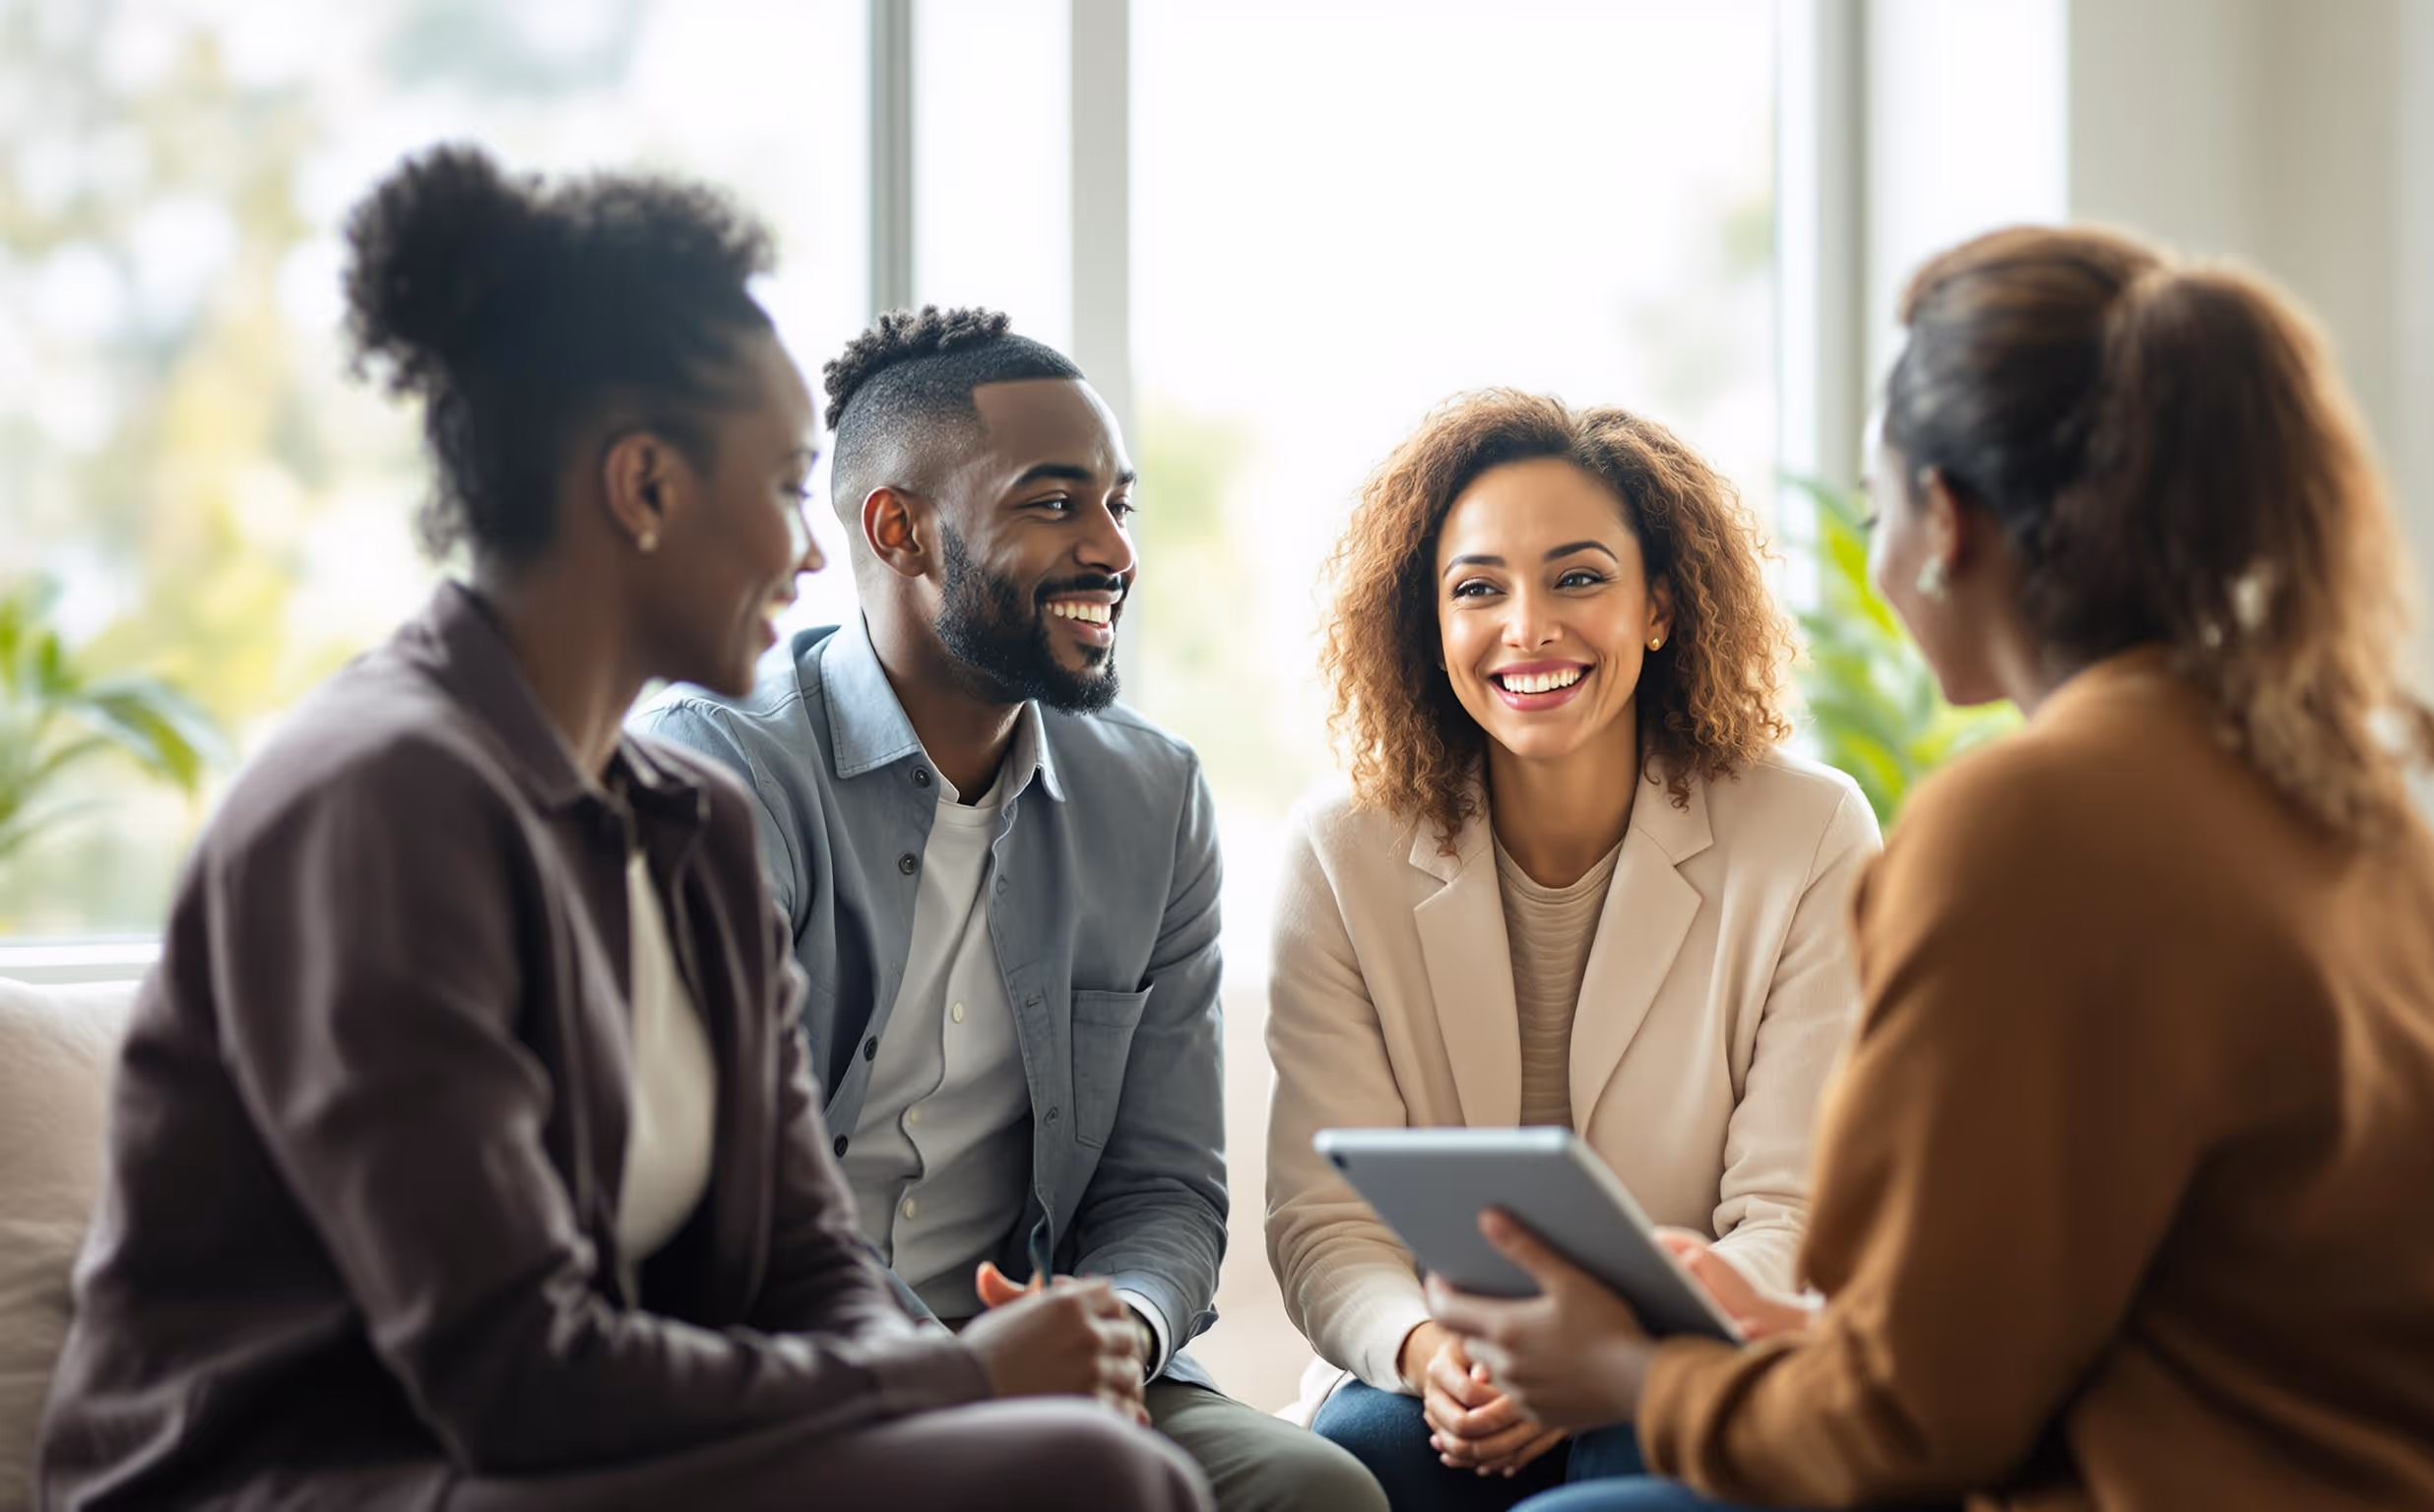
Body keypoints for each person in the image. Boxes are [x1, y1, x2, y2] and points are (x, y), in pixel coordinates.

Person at [35, 147, 1204, 1512]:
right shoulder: (379, 803)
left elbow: (797, 1259)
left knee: (1091, 1466)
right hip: (322, 1474)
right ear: (644, 488)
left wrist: (965, 1389)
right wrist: (955, 1385)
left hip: (552, 1450)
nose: (812, 553)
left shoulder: (684, 817)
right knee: (1087, 1482)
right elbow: (510, 1374)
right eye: (779, 490)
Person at [1422, 225, 2434, 1511]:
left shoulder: (2021, 823)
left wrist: (1629, 1373)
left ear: (1945, 522)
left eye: (1881, 510)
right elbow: (2132, 1314)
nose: (1881, 556)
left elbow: (1909, 1432)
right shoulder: (2346, 799)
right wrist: (1791, 1341)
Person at [636, 305, 1383, 1512]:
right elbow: (738, 1204)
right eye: (1054, 504)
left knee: (1312, 1491)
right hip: (786, 1364)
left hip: (1064, 1374)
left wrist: (1122, 1331)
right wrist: (959, 1374)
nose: (1114, 551)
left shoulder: (1152, 798)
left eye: (1118, 506)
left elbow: (1164, 1188)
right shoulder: (720, 771)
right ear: (903, 530)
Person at [1264, 391, 1881, 1509]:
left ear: (1658, 606)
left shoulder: (1810, 832)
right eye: (1478, 589)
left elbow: (1791, 1215)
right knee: (1363, 1460)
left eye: (1579, 578)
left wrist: (1602, 1361)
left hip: (1691, 1352)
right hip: (1441, 1362)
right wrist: (1423, 1354)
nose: (1527, 627)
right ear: (1433, 625)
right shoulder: (1339, 850)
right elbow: (1325, 1219)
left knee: (1628, 1452)